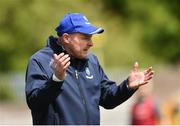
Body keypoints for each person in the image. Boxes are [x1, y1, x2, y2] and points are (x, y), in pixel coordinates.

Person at [25, 13, 154, 125]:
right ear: (66, 38)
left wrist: (127, 86)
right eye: (85, 37)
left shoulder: (92, 61)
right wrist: (56, 80)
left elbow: (108, 99)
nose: (91, 43)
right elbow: (35, 103)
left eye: (91, 37)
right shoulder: (39, 61)